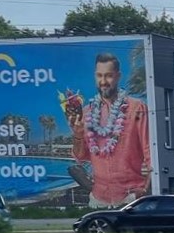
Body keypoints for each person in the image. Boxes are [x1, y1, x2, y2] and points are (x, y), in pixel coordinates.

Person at [63, 53, 151, 208]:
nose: (103, 82)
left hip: (131, 198)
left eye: (108, 76)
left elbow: (150, 152)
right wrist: (77, 133)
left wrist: (144, 190)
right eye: (99, 76)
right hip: (98, 199)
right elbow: (80, 156)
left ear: (118, 76)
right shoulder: (87, 112)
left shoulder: (137, 108)